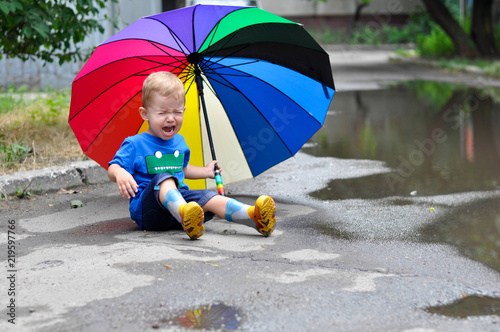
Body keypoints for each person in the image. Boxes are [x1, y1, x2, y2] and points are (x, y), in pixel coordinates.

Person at [108, 71, 276, 240]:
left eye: (177, 112)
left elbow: (184, 169)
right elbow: (113, 167)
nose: (170, 118)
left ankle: (253, 217)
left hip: (178, 206)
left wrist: (207, 172)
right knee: (165, 178)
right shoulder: (135, 143)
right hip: (149, 211)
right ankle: (184, 213)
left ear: (184, 110)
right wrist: (120, 173)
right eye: (162, 113)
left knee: (209, 197)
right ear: (145, 114)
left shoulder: (179, 142)